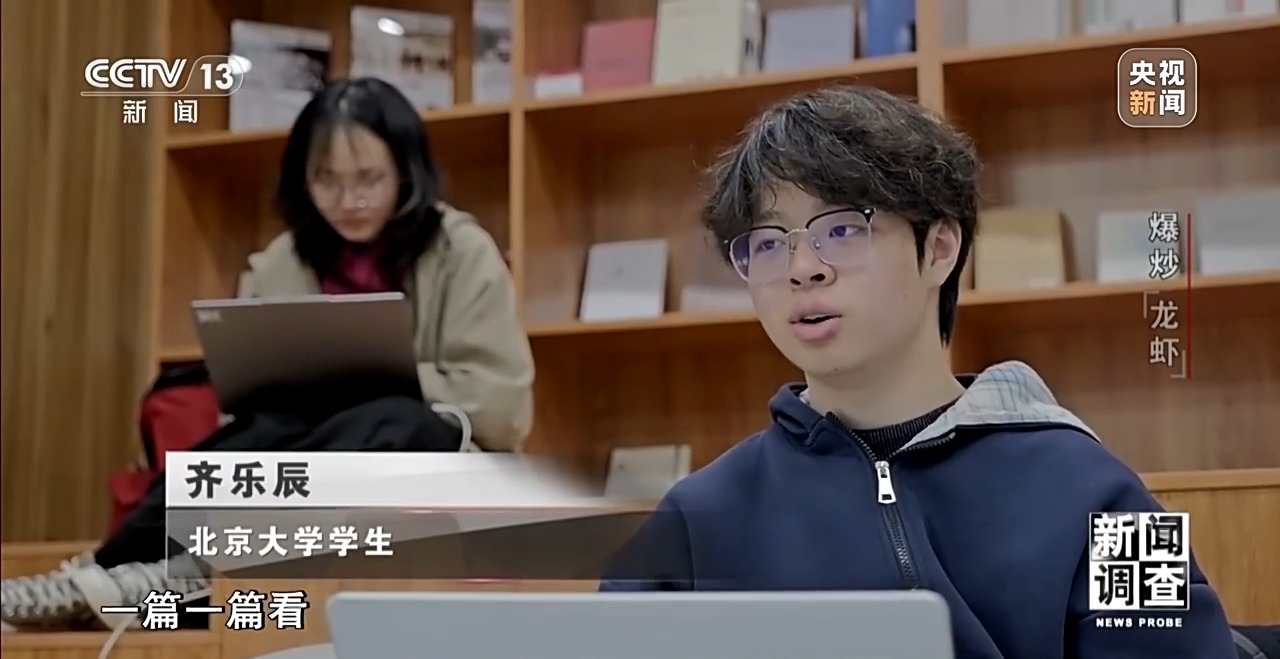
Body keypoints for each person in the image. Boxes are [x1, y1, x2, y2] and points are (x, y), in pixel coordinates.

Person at [599, 85, 1237, 658]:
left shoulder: (1101, 493)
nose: (802, 268)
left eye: (841, 230)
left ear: (939, 249)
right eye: (767, 243)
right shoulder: (695, 519)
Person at [1, 77, 534, 631]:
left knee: (392, 419)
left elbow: (502, 406)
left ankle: (190, 573)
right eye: (326, 180)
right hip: (311, 451)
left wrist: (380, 387)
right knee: (244, 440)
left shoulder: (461, 251)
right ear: (302, 181)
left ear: (406, 171)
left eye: (369, 179)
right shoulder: (282, 261)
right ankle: (98, 577)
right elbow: (248, 405)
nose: (349, 201)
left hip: (435, 455)